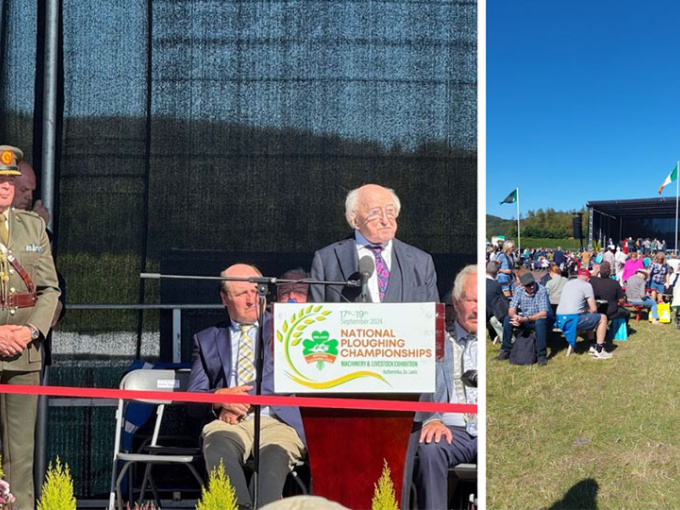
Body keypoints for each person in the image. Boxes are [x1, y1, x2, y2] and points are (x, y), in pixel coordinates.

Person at [187, 263, 306, 508]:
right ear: (224, 298)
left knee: (273, 457)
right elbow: (193, 401)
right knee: (217, 444)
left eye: (257, 291)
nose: (252, 299)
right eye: (242, 293)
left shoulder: (287, 327)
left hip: (277, 420)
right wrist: (220, 397)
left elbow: (280, 379)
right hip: (229, 423)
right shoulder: (206, 338)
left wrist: (240, 398)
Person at [0, 145, 60, 508]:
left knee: (20, 456)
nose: (5, 187)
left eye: (9, 180)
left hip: (24, 353)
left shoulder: (33, 226)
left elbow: (49, 289)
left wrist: (31, 331)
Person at [413, 265, 477, 510]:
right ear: (455, 301)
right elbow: (419, 384)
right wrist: (431, 419)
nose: (476, 309)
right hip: (452, 428)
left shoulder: (496, 339)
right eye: (471, 301)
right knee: (430, 450)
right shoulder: (436, 340)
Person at [309, 184, 439, 304]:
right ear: (354, 220)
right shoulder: (327, 260)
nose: (385, 220)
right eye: (375, 213)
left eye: (390, 211)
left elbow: (433, 319)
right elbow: (316, 318)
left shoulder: (421, 262)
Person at [494, 270, 552, 366]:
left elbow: (543, 313)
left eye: (532, 283)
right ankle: (506, 350)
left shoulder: (541, 290)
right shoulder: (518, 290)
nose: (532, 286)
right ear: (523, 286)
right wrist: (515, 316)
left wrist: (525, 319)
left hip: (540, 318)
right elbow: (511, 309)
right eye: (528, 285)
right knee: (508, 319)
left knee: (540, 323)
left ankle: (541, 355)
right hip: (525, 318)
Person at [556, 269, 612, 358]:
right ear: (588, 279)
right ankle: (599, 349)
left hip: (560, 318)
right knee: (602, 318)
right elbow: (593, 309)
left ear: (578, 276)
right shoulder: (587, 285)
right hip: (572, 319)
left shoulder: (568, 283)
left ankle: (592, 345)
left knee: (589, 317)